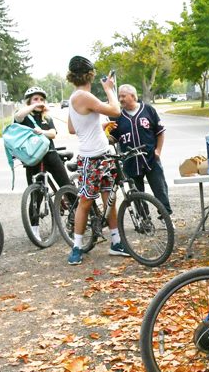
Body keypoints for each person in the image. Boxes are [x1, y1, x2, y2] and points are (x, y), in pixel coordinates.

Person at [64, 55, 124, 265]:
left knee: (109, 198)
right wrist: (109, 89)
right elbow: (116, 110)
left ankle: (116, 242)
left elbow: (72, 128)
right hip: (91, 158)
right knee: (86, 201)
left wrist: (97, 126)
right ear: (91, 75)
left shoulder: (76, 97)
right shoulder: (83, 96)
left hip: (102, 154)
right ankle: (77, 247)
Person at [15, 86, 72, 240]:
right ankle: (34, 230)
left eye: (41, 99)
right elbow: (18, 116)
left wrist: (43, 132)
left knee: (66, 186)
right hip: (33, 159)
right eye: (35, 99)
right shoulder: (25, 118)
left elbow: (53, 133)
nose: (39, 102)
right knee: (36, 196)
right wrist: (33, 106)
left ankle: (77, 217)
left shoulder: (46, 118)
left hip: (50, 155)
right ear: (29, 102)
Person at [108, 84, 172, 214]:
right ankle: (144, 218)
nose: (120, 99)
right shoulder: (117, 116)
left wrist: (158, 150)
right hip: (130, 161)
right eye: (119, 96)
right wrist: (103, 133)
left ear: (133, 96)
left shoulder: (148, 110)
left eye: (123, 96)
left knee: (160, 189)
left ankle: (166, 216)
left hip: (150, 158)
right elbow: (113, 139)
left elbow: (160, 132)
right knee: (136, 193)